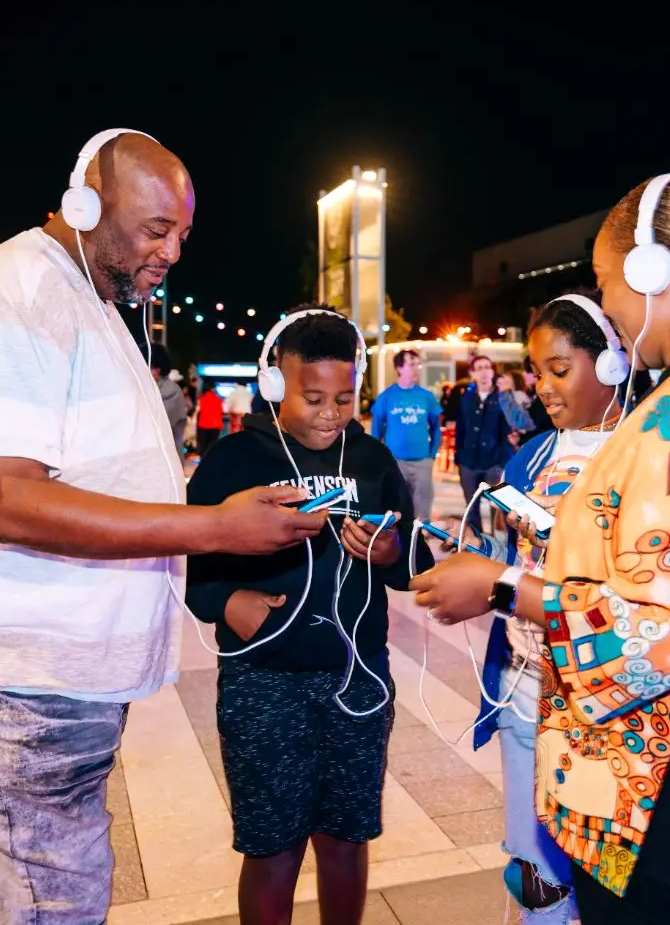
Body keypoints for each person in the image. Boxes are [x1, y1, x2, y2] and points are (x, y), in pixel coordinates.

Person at [0, 129, 325, 925]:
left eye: (182, 234)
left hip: (46, 688)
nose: (173, 252)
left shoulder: (91, 305)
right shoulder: (10, 292)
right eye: (154, 230)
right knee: (47, 910)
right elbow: (8, 502)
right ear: (84, 206)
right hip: (8, 688)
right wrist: (213, 529)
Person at [410, 172, 670, 923]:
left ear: (650, 272)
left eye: (608, 282)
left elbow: (655, 634)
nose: (608, 304)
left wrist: (502, 585)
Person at [185, 304, 429, 925]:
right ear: (274, 385)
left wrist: (390, 549)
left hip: (358, 677)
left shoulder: (373, 460)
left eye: (343, 398)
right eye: (312, 397)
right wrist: (227, 602)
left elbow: (409, 565)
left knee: (347, 840)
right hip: (263, 681)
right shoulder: (232, 460)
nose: (328, 414)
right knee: (272, 849)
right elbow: (185, 565)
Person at [450, 294, 628, 924]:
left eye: (560, 369)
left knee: (605, 875)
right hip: (523, 689)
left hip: (604, 709)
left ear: (609, 363)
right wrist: (469, 556)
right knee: (533, 868)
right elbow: (508, 553)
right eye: (537, 372)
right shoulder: (533, 455)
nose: (544, 388)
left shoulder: (640, 455)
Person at [370, 348, 442, 518]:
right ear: (399, 368)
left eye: (418, 364)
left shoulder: (426, 396)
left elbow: (436, 427)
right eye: (412, 364)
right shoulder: (387, 396)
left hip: (422, 462)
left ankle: (421, 541)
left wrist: (431, 455)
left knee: (423, 509)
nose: (417, 368)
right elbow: (376, 429)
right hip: (395, 461)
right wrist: (378, 457)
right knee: (397, 505)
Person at [455, 353, 514, 525]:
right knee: (471, 509)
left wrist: (503, 461)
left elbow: (509, 431)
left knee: (497, 510)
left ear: (492, 372)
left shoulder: (503, 398)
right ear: (472, 373)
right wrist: (459, 457)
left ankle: (497, 548)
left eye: (487, 368)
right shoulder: (466, 399)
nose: (484, 372)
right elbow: (461, 429)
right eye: (479, 368)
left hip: (495, 462)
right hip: (468, 462)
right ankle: (478, 546)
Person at [149, 342, 188, 457]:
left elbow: (155, 425)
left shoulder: (170, 391)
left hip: (165, 461)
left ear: (156, 370)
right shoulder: (153, 389)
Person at [195, 382, 227, 455]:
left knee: (203, 445)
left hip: (203, 425)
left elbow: (198, 410)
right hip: (215, 425)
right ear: (212, 389)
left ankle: (202, 460)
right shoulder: (218, 399)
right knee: (211, 445)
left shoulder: (201, 398)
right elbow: (223, 410)